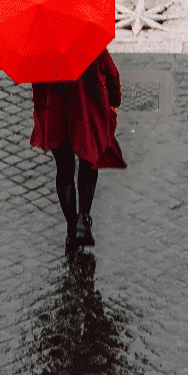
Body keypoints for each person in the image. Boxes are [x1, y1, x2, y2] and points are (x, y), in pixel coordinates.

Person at [30, 48, 126, 251]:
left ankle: (71, 226)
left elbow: (36, 85)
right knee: (89, 161)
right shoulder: (88, 41)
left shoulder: (41, 46)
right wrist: (114, 100)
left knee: (64, 168)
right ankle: (83, 218)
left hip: (55, 114)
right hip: (85, 112)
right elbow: (112, 74)